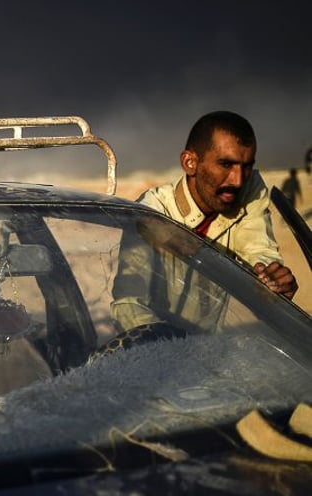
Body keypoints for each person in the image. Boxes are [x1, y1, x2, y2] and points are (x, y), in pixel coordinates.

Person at [112, 111, 298, 334]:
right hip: (157, 357)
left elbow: (258, 249)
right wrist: (164, 345)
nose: (238, 180)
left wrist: (271, 279)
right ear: (190, 162)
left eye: (246, 166)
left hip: (209, 352)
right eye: (226, 164)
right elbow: (128, 305)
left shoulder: (249, 189)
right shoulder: (152, 212)